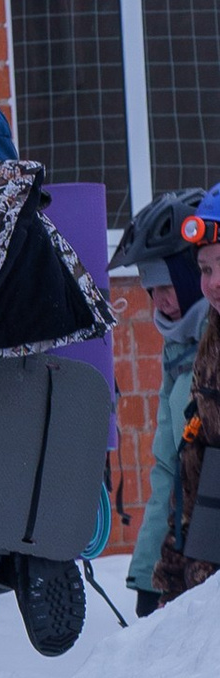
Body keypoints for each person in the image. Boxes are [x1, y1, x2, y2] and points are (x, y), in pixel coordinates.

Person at [122, 188, 210, 612]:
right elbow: (168, 469)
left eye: (166, 284)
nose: (158, 301)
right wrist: (149, 576)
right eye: (149, 289)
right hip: (193, 562)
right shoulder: (179, 351)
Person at [150, 184, 220, 609]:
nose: (214, 283)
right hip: (208, 578)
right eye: (206, 269)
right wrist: (172, 580)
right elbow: (193, 462)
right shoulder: (210, 343)